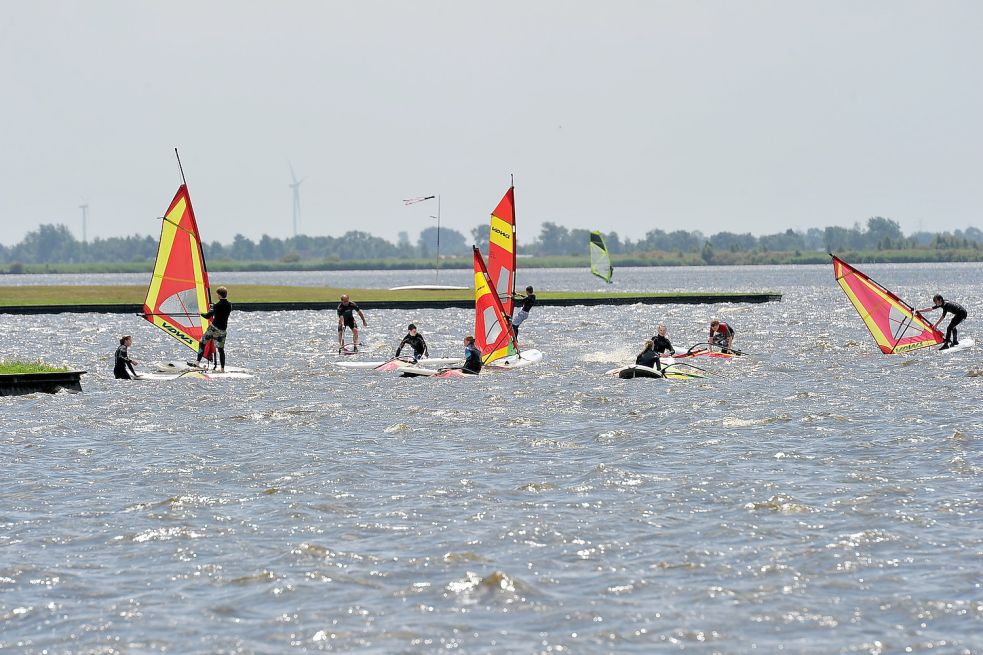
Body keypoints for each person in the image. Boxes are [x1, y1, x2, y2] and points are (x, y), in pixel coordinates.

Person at [193, 286, 232, 372]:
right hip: (222, 331)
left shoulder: (216, 306)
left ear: (219, 295)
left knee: (202, 343)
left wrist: (201, 313)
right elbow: (221, 311)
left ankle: (197, 363)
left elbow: (207, 316)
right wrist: (213, 308)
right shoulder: (229, 305)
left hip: (213, 329)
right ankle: (222, 369)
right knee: (221, 350)